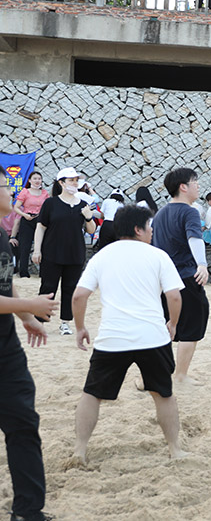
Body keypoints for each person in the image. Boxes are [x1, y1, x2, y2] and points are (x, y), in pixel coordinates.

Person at [70, 205, 187, 464]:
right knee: (163, 394)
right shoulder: (157, 256)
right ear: (138, 229)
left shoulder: (101, 256)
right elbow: (174, 296)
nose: (152, 232)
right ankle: (175, 449)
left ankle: (79, 450)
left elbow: (79, 296)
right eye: (149, 227)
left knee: (92, 394)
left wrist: (80, 327)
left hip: (112, 337)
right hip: (152, 337)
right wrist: (173, 324)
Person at [0, 172, 57, 521]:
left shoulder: (3, 234)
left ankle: (28, 510)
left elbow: (4, 282)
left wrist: (26, 319)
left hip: (6, 348)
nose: (12, 191)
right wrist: (29, 306)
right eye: (5, 186)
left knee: (23, 423)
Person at [152, 168, 210, 384]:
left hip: (163, 281)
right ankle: (181, 375)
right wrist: (202, 264)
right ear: (183, 187)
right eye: (195, 182)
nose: (198, 186)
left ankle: (154, 376)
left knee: (163, 328)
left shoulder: (160, 214)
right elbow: (195, 239)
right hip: (186, 276)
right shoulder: (190, 212)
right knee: (192, 326)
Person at [33, 167, 97, 336]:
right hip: (52, 252)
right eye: (71, 180)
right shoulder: (50, 203)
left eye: (76, 180)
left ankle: (65, 323)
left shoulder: (83, 205)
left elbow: (91, 229)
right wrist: (37, 250)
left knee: (70, 289)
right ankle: (40, 321)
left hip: (75, 254)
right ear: (61, 183)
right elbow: (41, 227)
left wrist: (88, 216)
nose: (74, 183)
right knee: (48, 287)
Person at [13, 171, 48, 278]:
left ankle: (44, 272)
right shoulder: (25, 192)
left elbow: (47, 208)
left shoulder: (45, 193)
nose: (37, 181)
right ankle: (23, 272)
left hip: (40, 221)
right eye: (35, 178)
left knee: (43, 246)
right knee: (25, 247)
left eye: (39, 179)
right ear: (29, 180)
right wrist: (24, 215)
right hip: (27, 219)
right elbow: (16, 207)